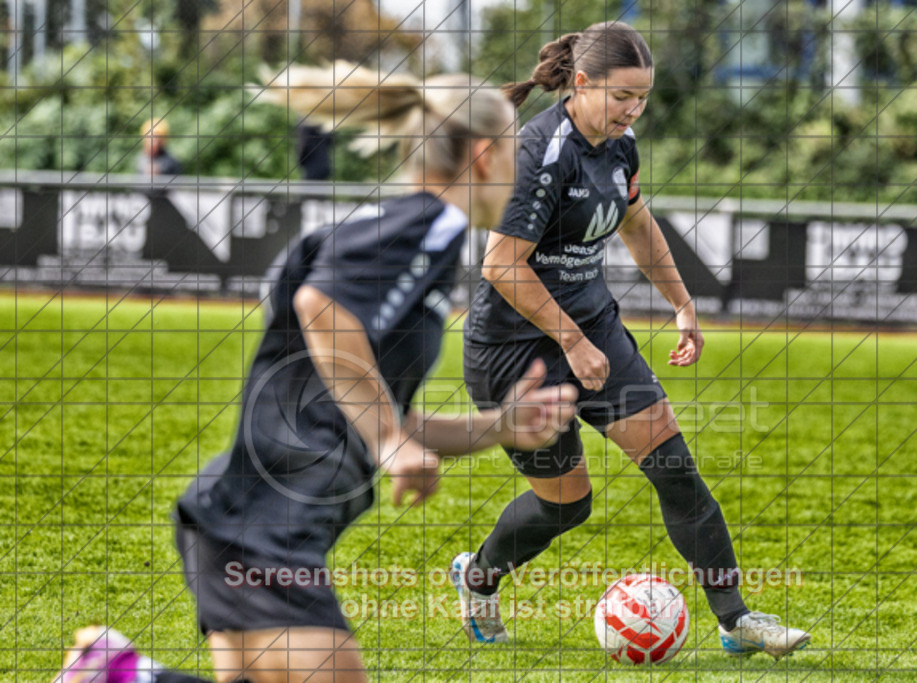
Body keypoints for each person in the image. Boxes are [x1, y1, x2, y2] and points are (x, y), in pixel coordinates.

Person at [53, 62, 578, 683]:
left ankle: (117, 675)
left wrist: (499, 427)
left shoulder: (422, 235)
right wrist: (389, 442)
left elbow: (370, 403)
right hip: (262, 524)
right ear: (486, 156)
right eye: (519, 152)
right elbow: (319, 308)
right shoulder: (428, 225)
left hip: (248, 518)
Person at [451, 21, 811, 660]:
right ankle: (478, 575)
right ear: (582, 84)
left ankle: (735, 619)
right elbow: (501, 265)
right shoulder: (537, 152)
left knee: (674, 467)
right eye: (622, 97)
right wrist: (570, 342)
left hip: (592, 328)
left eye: (642, 97)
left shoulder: (621, 146)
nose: (634, 109)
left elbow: (637, 224)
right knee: (567, 506)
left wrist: (682, 304)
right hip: (515, 352)